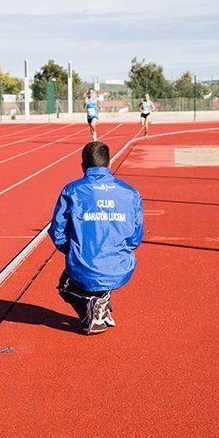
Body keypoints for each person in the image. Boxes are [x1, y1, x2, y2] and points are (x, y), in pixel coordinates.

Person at [49, 141, 143, 335]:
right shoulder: (130, 193)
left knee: (65, 285)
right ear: (108, 164)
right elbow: (135, 237)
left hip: (84, 264)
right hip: (121, 267)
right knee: (98, 275)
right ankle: (102, 304)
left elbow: (57, 231)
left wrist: (75, 250)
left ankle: (93, 309)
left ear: (82, 165)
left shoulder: (72, 191)